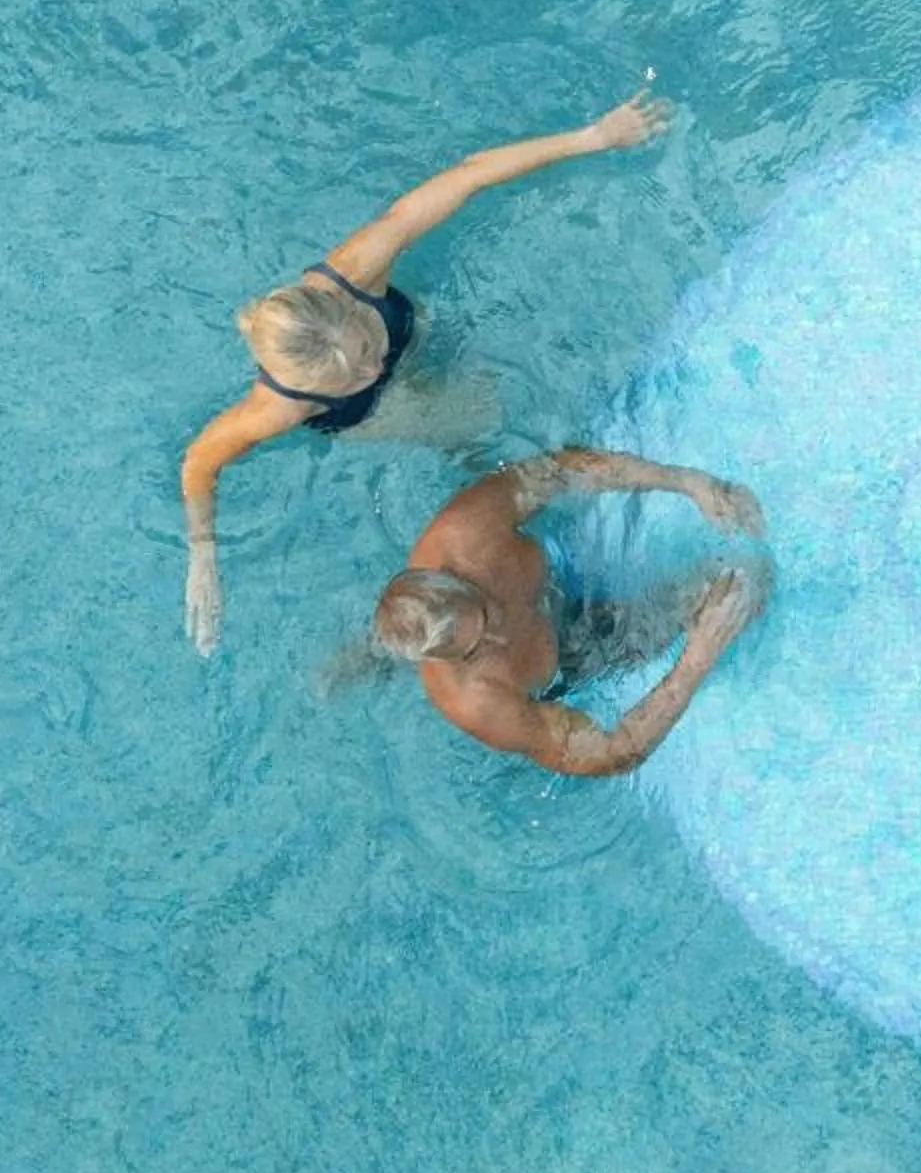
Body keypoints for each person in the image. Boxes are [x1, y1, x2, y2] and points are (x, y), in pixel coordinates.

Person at [180, 89, 670, 653]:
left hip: (415, 330)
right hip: (374, 416)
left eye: (365, 344)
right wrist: (203, 553)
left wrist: (595, 137)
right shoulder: (280, 406)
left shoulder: (358, 267)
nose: (372, 365)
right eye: (352, 375)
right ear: (315, 392)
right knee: (477, 421)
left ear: (347, 304)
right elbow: (199, 461)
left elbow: (468, 176)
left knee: (474, 385)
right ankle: (471, 463)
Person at [372, 444, 767, 776]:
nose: (500, 635)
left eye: (486, 613)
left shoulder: (466, 532)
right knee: (742, 588)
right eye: (477, 649)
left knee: (744, 572)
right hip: (572, 656)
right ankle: (374, 656)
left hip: (561, 573)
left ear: (455, 576)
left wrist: (683, 481)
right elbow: (610, 754)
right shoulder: (479, 700)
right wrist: (698, 657)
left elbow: (564, 470)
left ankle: (375, 651)